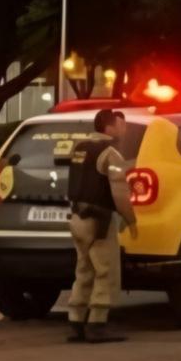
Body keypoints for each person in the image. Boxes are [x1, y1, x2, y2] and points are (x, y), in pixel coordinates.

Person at [65, 109, 139, 343]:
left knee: (84, 269)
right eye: (121, 124)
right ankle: (97, 323)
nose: (124, 129)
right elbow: (120, 193)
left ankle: (76, 319)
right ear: (111, 126)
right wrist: (131, 220)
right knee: (105, 271)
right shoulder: (111, 154)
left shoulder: (79, 148)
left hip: (77, 217)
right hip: (98, 221)